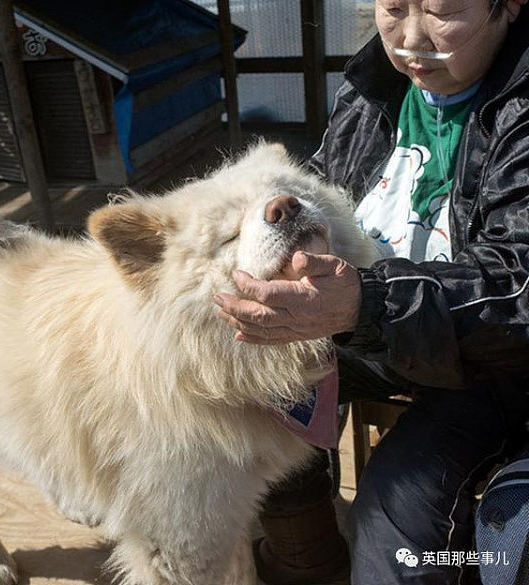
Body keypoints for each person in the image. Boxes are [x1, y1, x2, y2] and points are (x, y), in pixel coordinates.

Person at [213, 1, 529, 584]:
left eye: (440, 10)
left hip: (486, 358)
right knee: (241, 396)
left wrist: (369, 302)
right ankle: (308, 558)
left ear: (508, 6)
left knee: (396, 511)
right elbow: (319, 187)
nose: (411, 39)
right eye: (392, 8)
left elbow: (517, 287)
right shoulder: (372, 89)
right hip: (365, 326)